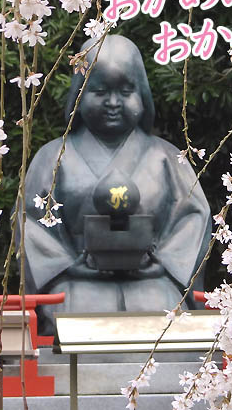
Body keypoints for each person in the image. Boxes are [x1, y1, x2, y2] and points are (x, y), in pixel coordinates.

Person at [19, 35, 211, 333]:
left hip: (154, 282)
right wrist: (67, 265)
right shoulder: (54, 158)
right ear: (79, 94)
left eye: (125, 91)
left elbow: (193, 219)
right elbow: (31, 224)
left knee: (167, 319)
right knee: (74, 322)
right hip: (76, 284)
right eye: (99, 91)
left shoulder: (167, 158)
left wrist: (162, 261)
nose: (113, 103)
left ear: (142, 95)